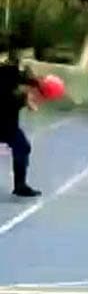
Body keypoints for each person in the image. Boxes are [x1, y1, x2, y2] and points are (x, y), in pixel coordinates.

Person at [0, 57, 41, 197]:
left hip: (8, 127)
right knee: (22, 148)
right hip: (7, 128)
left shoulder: (10, 88)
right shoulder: (16, 96)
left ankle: (20, 186)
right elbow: (32, 107)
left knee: (22, 147)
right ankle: (20, 186)